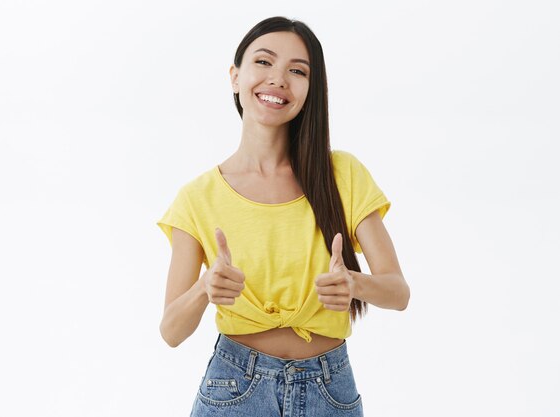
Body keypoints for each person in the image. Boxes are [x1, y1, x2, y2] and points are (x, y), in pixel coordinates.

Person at [156, 16, 410, 417]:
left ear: (312, 89)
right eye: (263, 62)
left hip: (330, 388)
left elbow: (398, 293)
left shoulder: (342, 175)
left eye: (297, 70)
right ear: (235, 77)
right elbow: (171, 331)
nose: (278, 79)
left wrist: (354, 284)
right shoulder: (196, 198)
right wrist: (206, 288)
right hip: (234, 387)